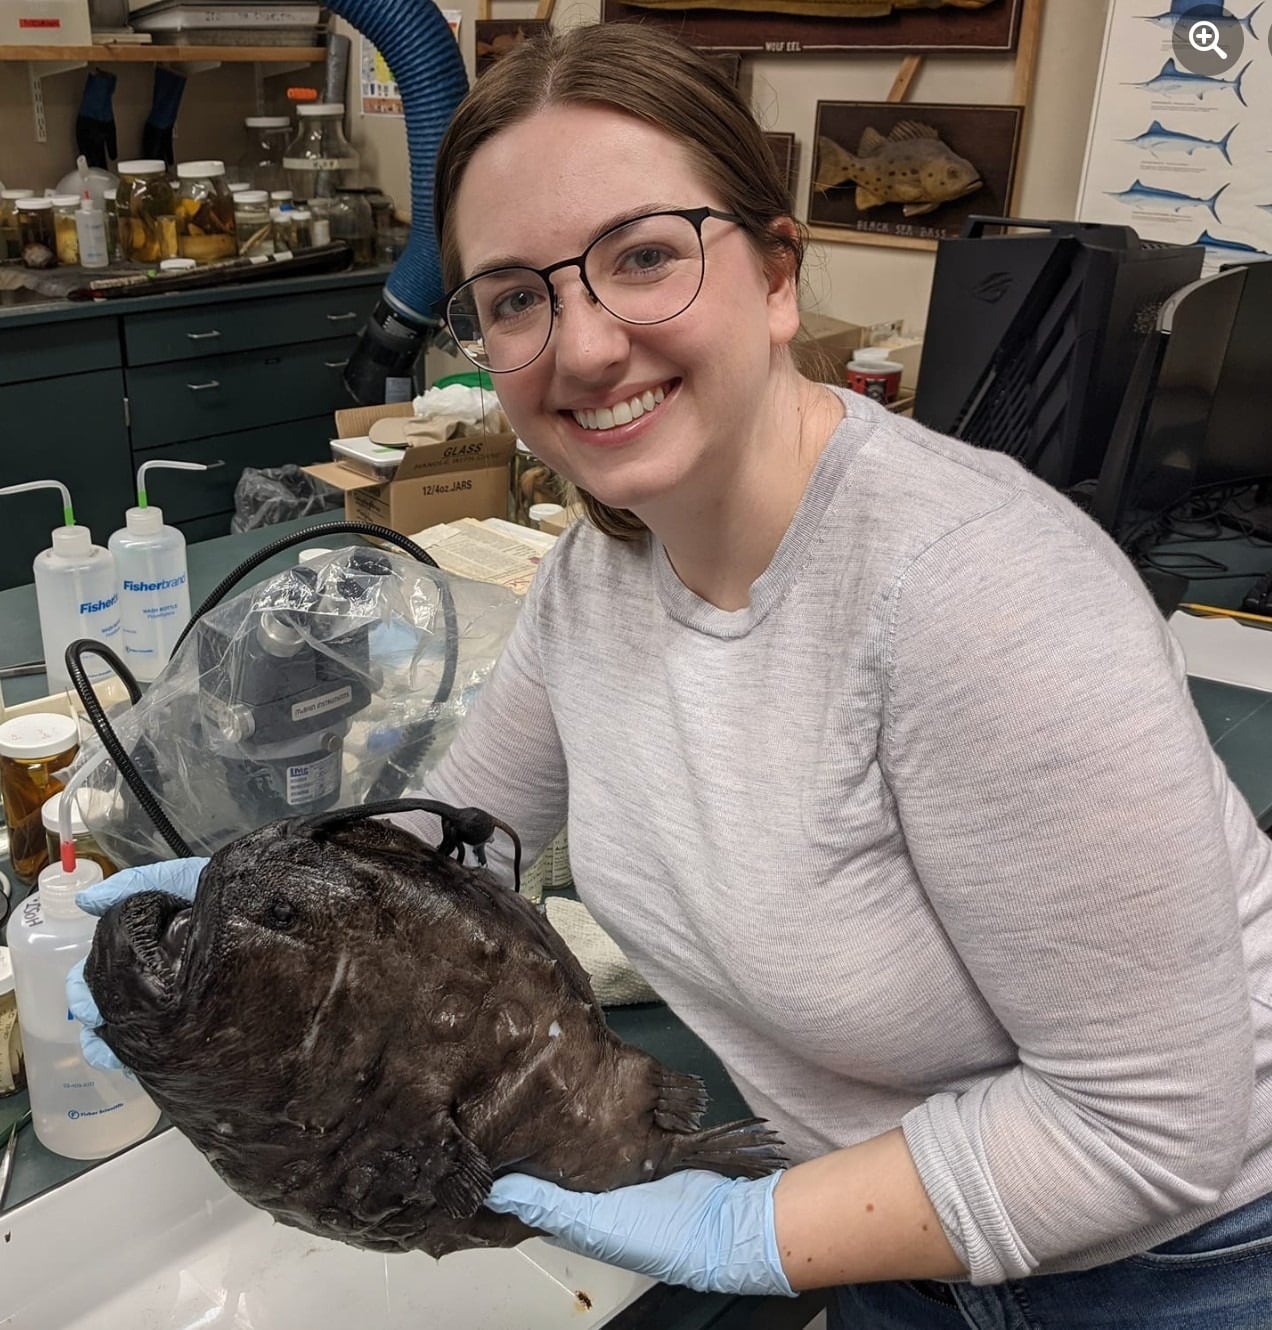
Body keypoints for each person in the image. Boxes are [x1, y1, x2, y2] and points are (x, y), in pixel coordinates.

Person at [69, 22, 1272, 1328]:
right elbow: (444, 858)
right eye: (518, 294)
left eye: (644, 257)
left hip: (1174, 1264)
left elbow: (1156, 1127)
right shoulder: (605, 571)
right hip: (892, 1229)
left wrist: (746, 1226)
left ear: (775, 276)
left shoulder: (972, 589)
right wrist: (259, 918)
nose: (582, 347)